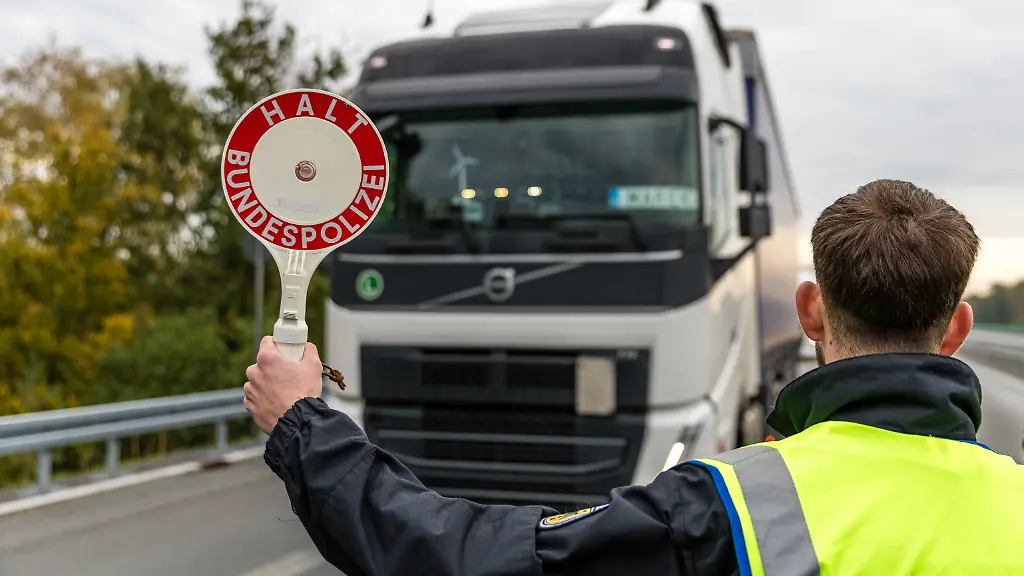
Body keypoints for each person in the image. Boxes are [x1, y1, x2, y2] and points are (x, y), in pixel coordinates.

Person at [243, 179, 1024, 575]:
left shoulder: (733, 504)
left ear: (812, 310)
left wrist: (304, 423)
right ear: (955, 330)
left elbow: (463, 557)